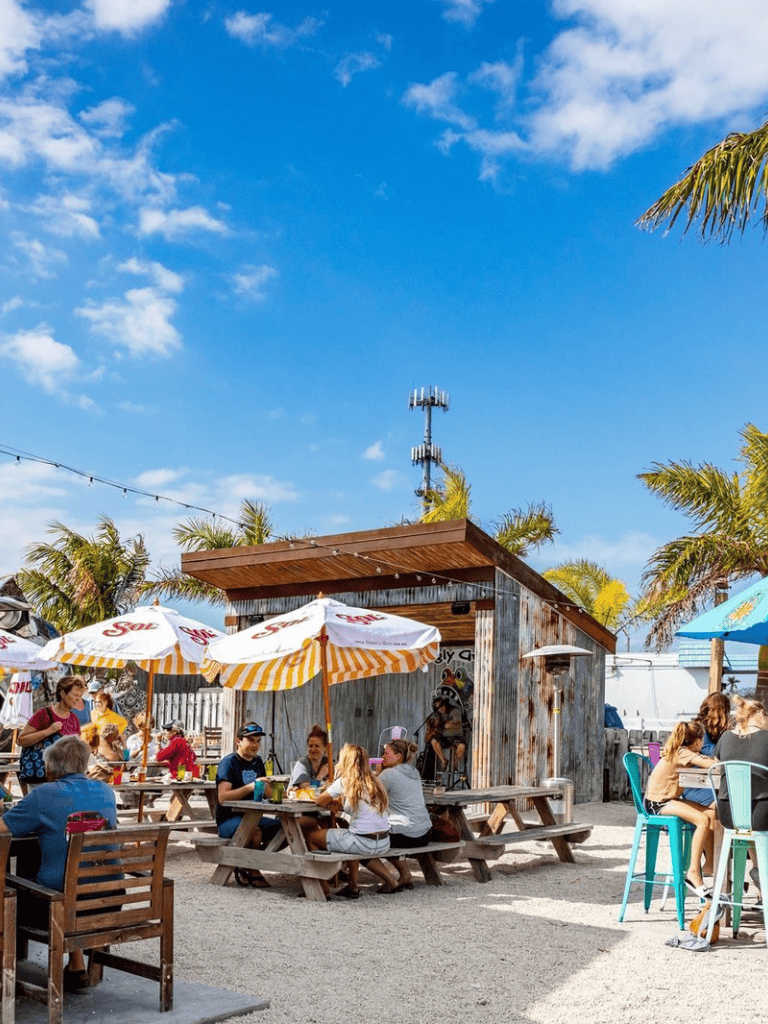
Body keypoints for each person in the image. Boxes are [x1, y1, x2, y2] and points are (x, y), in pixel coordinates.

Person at [0, 736, 117, 992]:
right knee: (62, 871)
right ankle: (76, 965)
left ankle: (7, 972)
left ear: (50, 769)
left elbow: (3, 828)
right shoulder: (106, 790)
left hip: (60, 906)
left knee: (10, 888)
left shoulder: (44, 794)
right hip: (108, 898)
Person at [644, 719, 717, 898]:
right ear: (698, 741)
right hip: (658, 803)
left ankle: (710, 865)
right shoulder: (683, 752)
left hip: (668, 799)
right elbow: (709, 764)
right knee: (702, 820)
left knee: (711, 813)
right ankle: (693, 872)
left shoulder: (680, 750)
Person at [307, 743, 389, 899]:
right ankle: (352, 884)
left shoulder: (346, 781)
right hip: (383, 841)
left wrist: (332, 802)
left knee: (312, 837)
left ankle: (323, 887)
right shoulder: (375, 780)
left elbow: (320, 801)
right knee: (349, 832)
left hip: (363, 843)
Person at [365, 738, 432, 892]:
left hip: (407, 835)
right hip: (426, 833)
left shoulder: (388, 774)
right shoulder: (413, 771)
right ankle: (405, 875)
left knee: (367, 839)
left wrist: (377, 773)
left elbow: (369, 797)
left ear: (399, 756)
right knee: (388, 831)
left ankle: (392, 879)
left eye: (387, 753)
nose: (382, 756)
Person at [215, 722, 279, 880]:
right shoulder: (229, 762)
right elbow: (222, 798)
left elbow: (266, 792)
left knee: (286, 828)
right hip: (228, 820)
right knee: (254, 830)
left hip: (253, 817)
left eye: (258, 741)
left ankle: (248, 862)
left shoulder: (257, 762)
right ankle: (254, 869)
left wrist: (286, 794)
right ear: (238, 741)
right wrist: (251, 787)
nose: (255, 745)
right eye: (251, 740)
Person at [18, 676, 86, 786]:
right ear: (63, 693)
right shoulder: (44, 714)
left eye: (80, 696)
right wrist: (48, 731)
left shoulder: (74, 719)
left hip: (65, 781)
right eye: (75, 695)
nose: (78, 699)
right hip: (41, 779)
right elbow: (21, 740)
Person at [714, 696, 768, 830]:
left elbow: (716, 767)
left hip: (728, 815)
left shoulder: (725, 736)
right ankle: (761, 850)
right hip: (760, 816)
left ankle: (755, 851)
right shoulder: (766, 737)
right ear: (761, 714)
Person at [682, 693, 731, 807]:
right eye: (726, 711)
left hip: (707, 783)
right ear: (721, 711)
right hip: (694, 785)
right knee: (726, 798)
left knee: (728, 796)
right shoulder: (700, 730)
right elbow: (715, 754)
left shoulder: (714, 730)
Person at [426, 697, 467, 770]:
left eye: (442, 706)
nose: (441, 709)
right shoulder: (438, 715)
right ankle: (443, 760)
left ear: (446, 704)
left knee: (462, 746)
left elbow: (457, 724)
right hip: (444, 738)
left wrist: (449, 725)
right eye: (438, 708)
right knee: (433, 741)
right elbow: (434, 725)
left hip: (456, 737)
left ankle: (454, 765)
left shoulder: (455, 710)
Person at [288, 725, 329, 790]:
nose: (313, 749)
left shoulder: (327, 763)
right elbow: (306, 789)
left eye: (317, 746)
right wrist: (319, 777)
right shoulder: (302, 764)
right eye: (310, 746)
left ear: (325, 748)